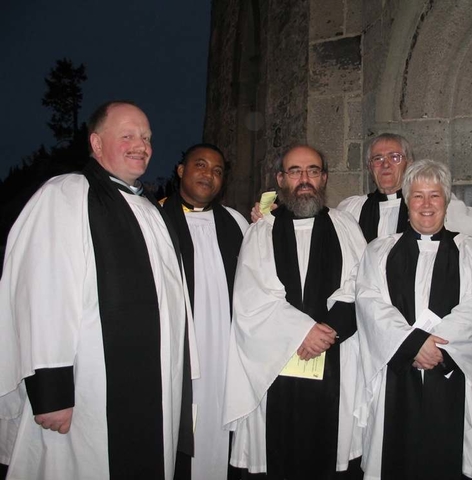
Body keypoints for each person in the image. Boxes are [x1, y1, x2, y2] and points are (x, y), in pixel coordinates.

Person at [0, 101, 197, 479]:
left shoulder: (150, 210)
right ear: (96, 142)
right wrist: (51, 389)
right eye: (127, 136)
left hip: (155, 389)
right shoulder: (68, 194)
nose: (142, 145)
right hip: (86, 391)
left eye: (147, 137)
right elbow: (42, 293)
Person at [223, 145, 367, 479]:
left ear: (325, 177)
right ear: (280, 179)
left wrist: (327, 331)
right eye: (295, 171)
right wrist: (303, 331)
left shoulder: (345, 226)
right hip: (274, 365)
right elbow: (251, 296)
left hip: (336, 358)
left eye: (313, 171)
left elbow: (362, 286)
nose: (305, 179)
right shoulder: (262, 230)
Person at [355, 160, 472, 479]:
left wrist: (435, 349)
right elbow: (369, 302)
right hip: (396, 374)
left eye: (435, 195)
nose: (427, 204)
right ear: (406, 201)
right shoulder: (379, 251)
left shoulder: (471, 251)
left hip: (449, 374)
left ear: (447, 202)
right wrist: (413, 345)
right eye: (418, 196)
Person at [161, 143, 249, 479]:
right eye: (200, 165)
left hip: (225, 353)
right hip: (178, 350)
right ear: (181, 171)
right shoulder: (155, 219)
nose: (208, 175)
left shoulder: (236, 223)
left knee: (219, 427)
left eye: (216, 170)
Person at [252, 133, 472, 241]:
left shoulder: (432, 206)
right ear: (370, 167)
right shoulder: (353, 208)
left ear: (409, 163)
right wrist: (273, 216)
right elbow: (314, 227)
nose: (386, 165)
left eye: (395, 157)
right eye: (378, 159)